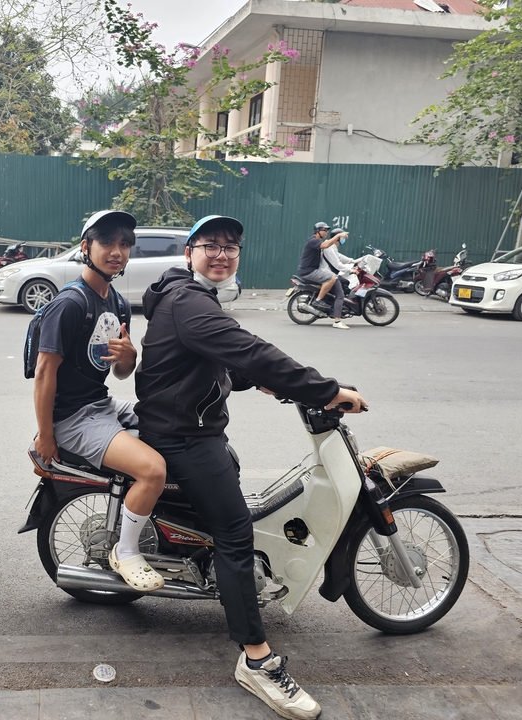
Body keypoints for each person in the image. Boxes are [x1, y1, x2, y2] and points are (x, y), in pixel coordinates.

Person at [135, 215, 367, 720]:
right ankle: (257, 661)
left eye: (231, 248)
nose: (222, 255)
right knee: (236, 534)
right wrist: (326, 390)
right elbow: (249, 349)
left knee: (232, 486)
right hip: (182, 435)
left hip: (189, 422)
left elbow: (214, 360)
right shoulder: (188, 302)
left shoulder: (188, 298)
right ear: (190, 251)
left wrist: (258, 381)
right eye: (211, 246)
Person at [33, 210, 167, 592]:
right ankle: (125, 551)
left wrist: (129, 357)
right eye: (107, 242)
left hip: (100, 406)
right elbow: (45, 374)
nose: (117, 252)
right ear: (85, 246)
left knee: (173, 426)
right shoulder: (70, 304)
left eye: (124, 244)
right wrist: (47, 435)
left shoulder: (119, 304)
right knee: (154, 470)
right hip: (72, 418)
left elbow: (120, 373)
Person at [297, 222, 350, 329]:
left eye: (327, 231)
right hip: (308, 271)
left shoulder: (318, 242)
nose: (326, 232)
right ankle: (319, 301)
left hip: (312, 270)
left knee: (336, 283)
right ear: (317, 231)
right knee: (332, 278)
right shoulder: (313, 241)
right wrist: (338, 236)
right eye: (324, 230)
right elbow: (325, 245)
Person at [321, 227, 358, 292]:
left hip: (329, 273)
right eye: (342, 237)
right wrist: (351, 270)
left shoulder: (333, 246)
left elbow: (340, 257)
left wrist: (354, 261)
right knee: (343, 289)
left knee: (346, 282)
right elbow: (337, 264)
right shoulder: (329, 248)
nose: (343, 239)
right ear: (337, 238)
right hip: (327, 273)